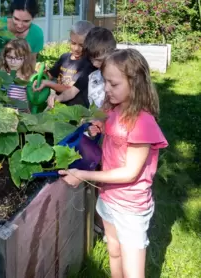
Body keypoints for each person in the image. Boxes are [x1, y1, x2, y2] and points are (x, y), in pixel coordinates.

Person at [59, 49, 168, 278]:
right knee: (114, 251)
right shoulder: (113, 108)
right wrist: (98, 126)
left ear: (135, 84)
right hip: (108, 198)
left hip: (131, 207)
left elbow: (129, 173)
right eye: (105, 81)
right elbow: (104, 123)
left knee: (133, 271)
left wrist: (83, 174)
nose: (106, 88)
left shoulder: (142, 123)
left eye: (113, 83)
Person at [47, 26, 117, 108]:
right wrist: (59, 97)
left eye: (99, 60)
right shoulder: (91, 69)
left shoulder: (118, 72)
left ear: (111, 53)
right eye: (91, 59)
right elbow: (73, 91)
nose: (94, 63)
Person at [34, 20, 95, 107]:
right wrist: (40, 74)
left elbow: (70, 89)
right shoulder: (64, 58)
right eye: (73, 43)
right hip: (60, 106)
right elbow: (49, 75)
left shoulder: (88, 64)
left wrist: (48, 83)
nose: (76, 48)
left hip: (77, 111)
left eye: (81, 45)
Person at [0, 0, 44, 65]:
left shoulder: (36, 34)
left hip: (17, 74)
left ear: (33, 18)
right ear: (11, 14)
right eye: (16, 19)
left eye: (26, 21)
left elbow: (31, 62)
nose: (20, 25)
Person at [0, 38, 35, 110]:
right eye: (9, 57)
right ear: (4, 56)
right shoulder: (0, 75)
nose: (13, 62)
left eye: (18, 58)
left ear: (25, 58)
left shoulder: (28, 77)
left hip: (21, 116)